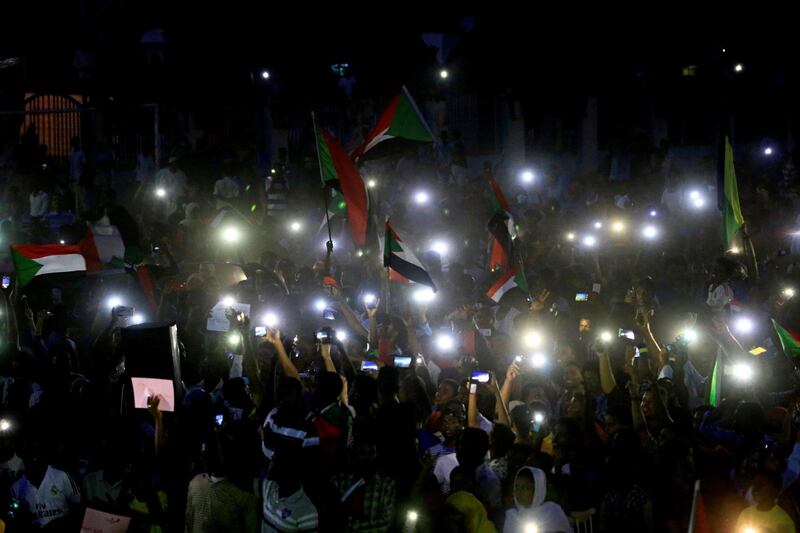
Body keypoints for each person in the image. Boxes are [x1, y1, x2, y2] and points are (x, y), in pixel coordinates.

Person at [503, 467, 572, 533]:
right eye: (516, 487)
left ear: (538, 490)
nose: (518, 492)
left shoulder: (553, 512)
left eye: (525, 488)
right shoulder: (512, 516)